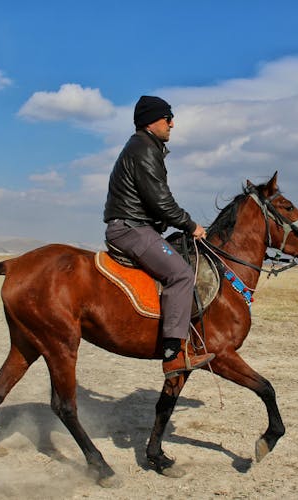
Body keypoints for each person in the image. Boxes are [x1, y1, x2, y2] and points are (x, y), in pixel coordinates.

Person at [104, 95, 215, 379]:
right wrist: (191, 226)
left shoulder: (144, 146)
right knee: (180, 274)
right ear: (151, 121)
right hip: (132, 228)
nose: (172, 124)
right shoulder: (144, 149)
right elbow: (160, 201)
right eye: (168, 118)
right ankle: (173, 354)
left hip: (136, 225)